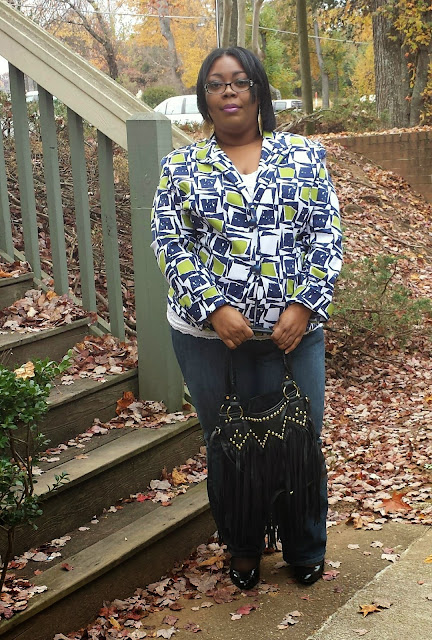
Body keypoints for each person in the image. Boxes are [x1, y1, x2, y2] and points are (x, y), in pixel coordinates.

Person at [151, 46, 342, 590]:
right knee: (229, 444)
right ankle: (243, 546)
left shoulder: (303, 156)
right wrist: (213, 308)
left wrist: (304, 305)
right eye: (216, 84)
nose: (229, 91)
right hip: (209, 340)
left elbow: (325, 233)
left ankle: (304, 546)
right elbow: (170, 240)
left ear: (258, 90)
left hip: (293, 335)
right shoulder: (182, 166)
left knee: (298, 441)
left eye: (239, 81)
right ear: (204, 98)